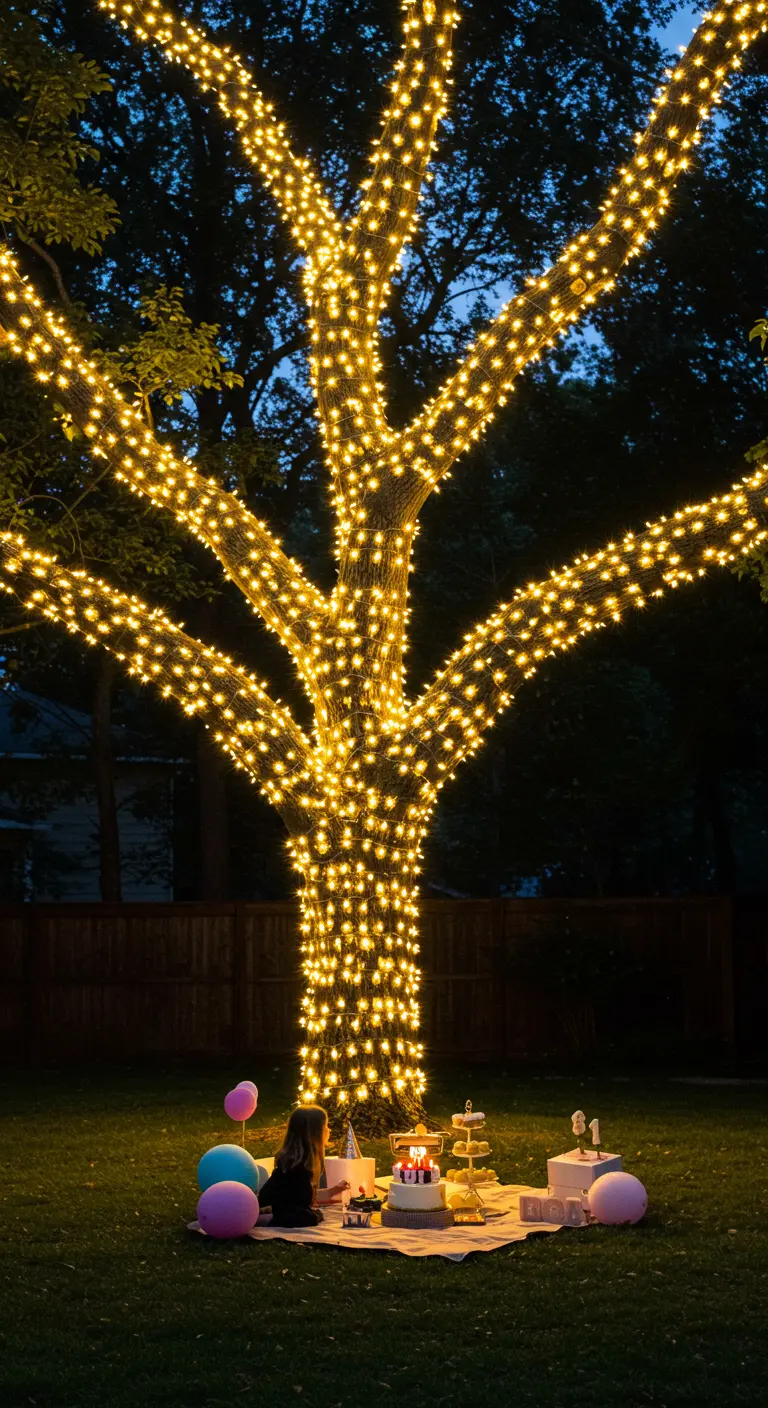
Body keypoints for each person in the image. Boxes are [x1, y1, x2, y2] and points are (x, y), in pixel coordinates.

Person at [258, 1106, 349, 1227]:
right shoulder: (296, 1170)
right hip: (267, 1210)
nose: (329, 1130)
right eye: (326, 1126)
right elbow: (295, 1206)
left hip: (275, 1208)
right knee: (308, 1217)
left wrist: (334, 1190)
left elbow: (306, 1196)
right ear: (313, 1134)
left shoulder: (301, 1165)